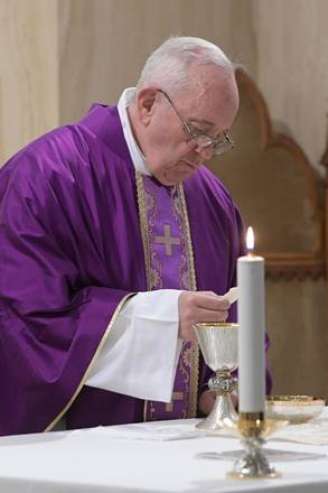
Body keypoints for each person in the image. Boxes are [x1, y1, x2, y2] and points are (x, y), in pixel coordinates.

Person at [0, 36, 270, 436]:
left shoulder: (210, 198)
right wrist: (162, 320)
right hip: (80, 453)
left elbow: (238, 315)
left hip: (188, 448)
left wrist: (228, 385)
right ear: (147, 104)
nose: (205, 152)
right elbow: (23, 323)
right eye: (198, 130)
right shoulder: (47, 177)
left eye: (219, 139)